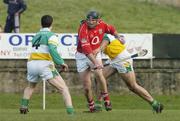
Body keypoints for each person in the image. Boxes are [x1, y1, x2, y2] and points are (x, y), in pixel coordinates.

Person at [19, 15, 74, 115]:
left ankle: (23, 106)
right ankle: (71, 113)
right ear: (51, 24)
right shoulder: (52, 35)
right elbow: (52, 49)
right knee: (64, 88)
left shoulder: (36, 35)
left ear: (41, 23)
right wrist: (61, 62)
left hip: (31, 63)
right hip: (44, 64)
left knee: (30, 86)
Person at [97, 34, 164, 113]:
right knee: (100, 77)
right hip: (113, 59)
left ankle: (155, 104)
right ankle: (98, 104)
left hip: (123, 60)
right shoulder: (92, 36)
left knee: (132, 86)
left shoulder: (104, 35)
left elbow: (101, 48)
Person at [75, 10, 125, 112]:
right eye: (88, 20)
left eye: (93, 20)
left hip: (95, 54)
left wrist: (118, 36)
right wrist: (96, 62)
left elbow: (111, 29)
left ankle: (107, 100)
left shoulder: (102, 24)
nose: (90, 22)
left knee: (99, 75)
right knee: (86, 86)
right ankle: (92, 107)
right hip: (82, 56)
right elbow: (86, 50)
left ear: (98, 21)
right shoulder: (83, 29)